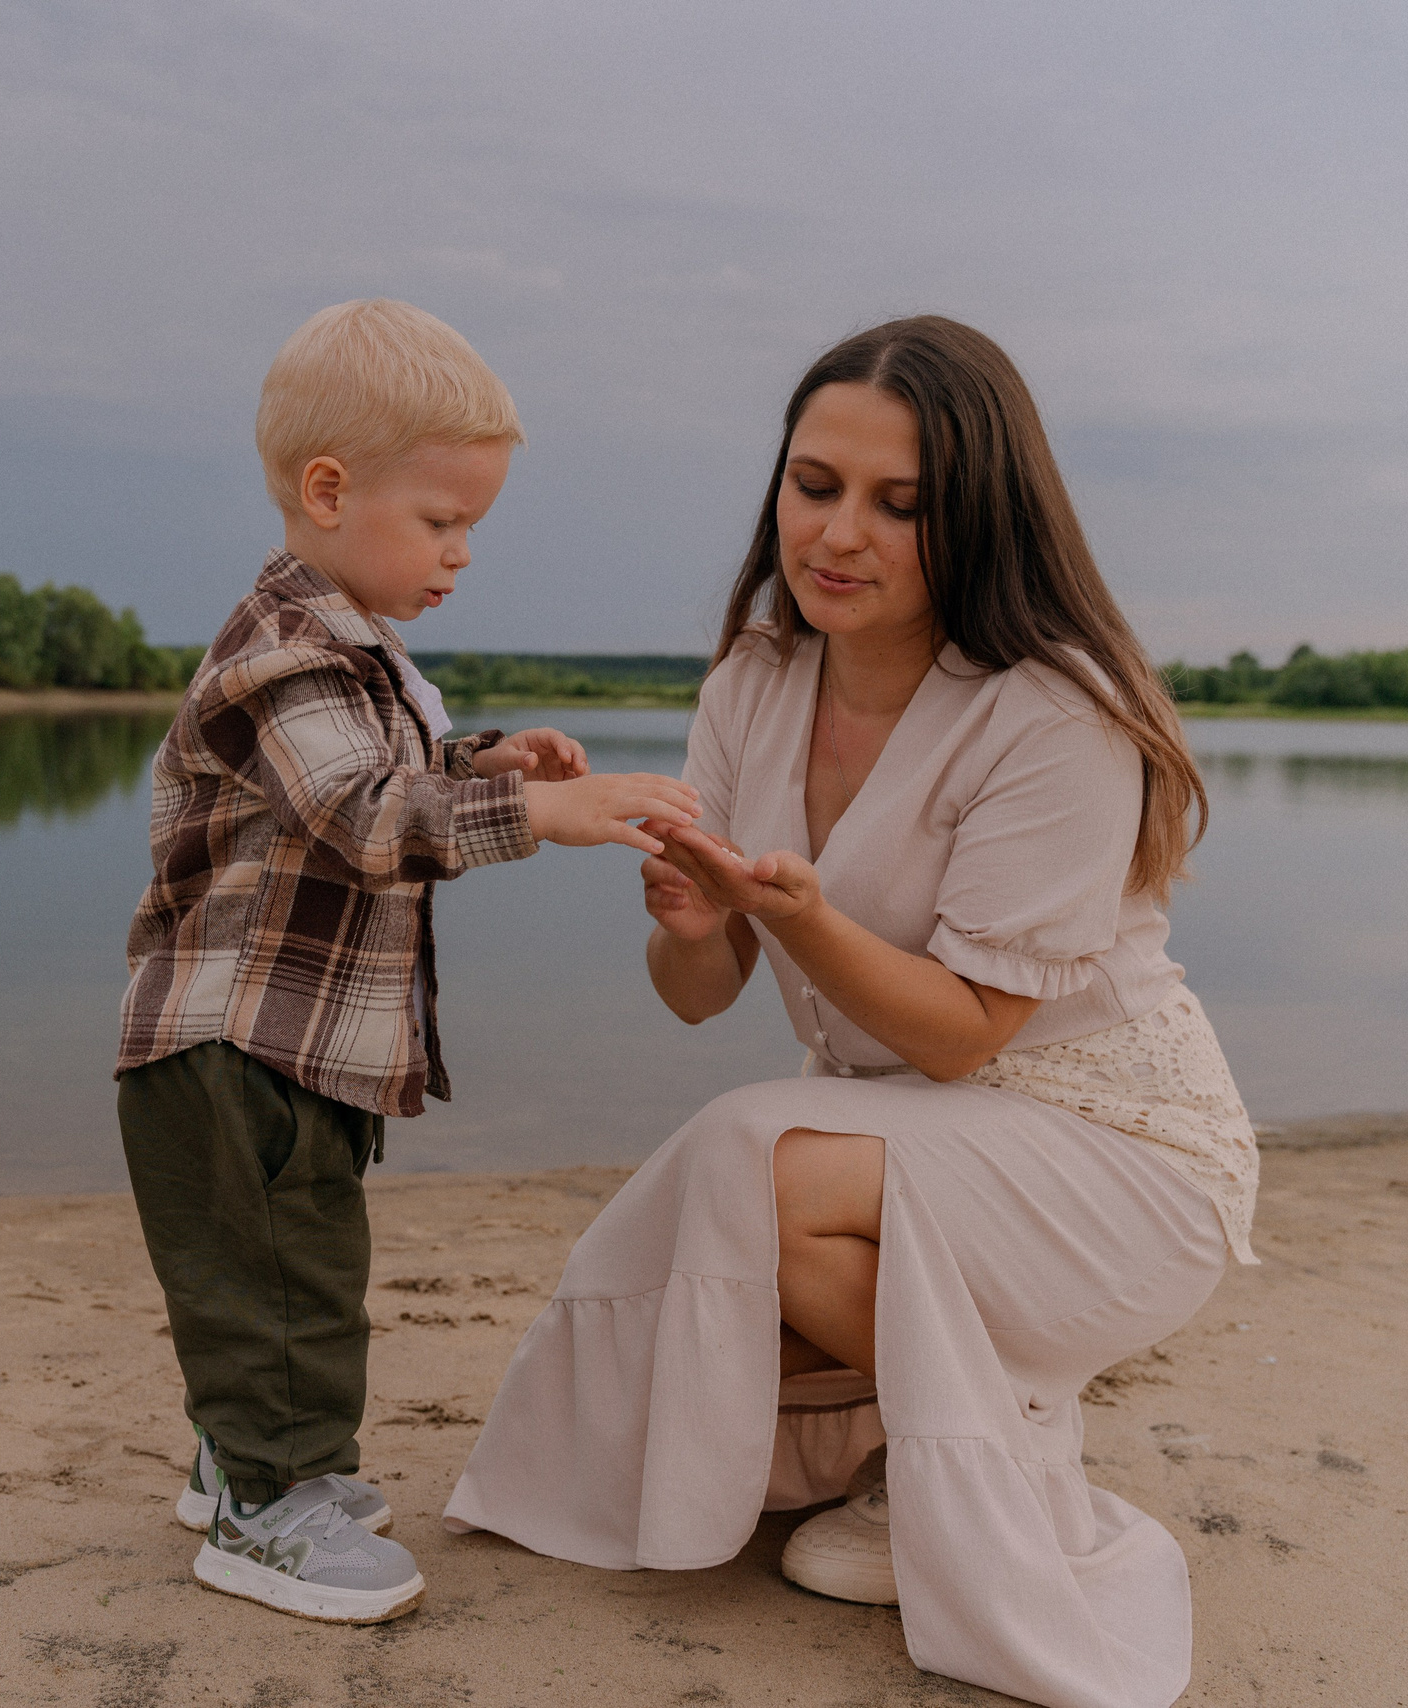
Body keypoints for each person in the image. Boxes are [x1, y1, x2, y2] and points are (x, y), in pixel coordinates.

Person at [443, 315, 1260, 1708]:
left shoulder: (1055, 713)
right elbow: (702, 999)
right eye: (816, 485)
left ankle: (990, 1459)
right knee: (718, 1247)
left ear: (981, 521)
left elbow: (964, 1036)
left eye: (902, 505)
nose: (841, 534)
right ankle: (915, 1446)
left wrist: (800, 913)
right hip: (906, 1140)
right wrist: (699, 927)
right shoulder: (753, 685)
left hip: (1116, 1148)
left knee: (745, 1159)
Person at [116, 297, 702, 1625]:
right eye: (443, 524)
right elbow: (360, 816)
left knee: (285, 1263)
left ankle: (244, 1464)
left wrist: (484, 760)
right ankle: (269, 1510)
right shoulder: (282, 659)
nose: (462, 556)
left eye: (471, 529)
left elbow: (389, 776)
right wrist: (540, 814)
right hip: (230, 1040)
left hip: (294, 1041)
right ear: (328, 491)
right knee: (285, 1275)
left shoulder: (356, 659)